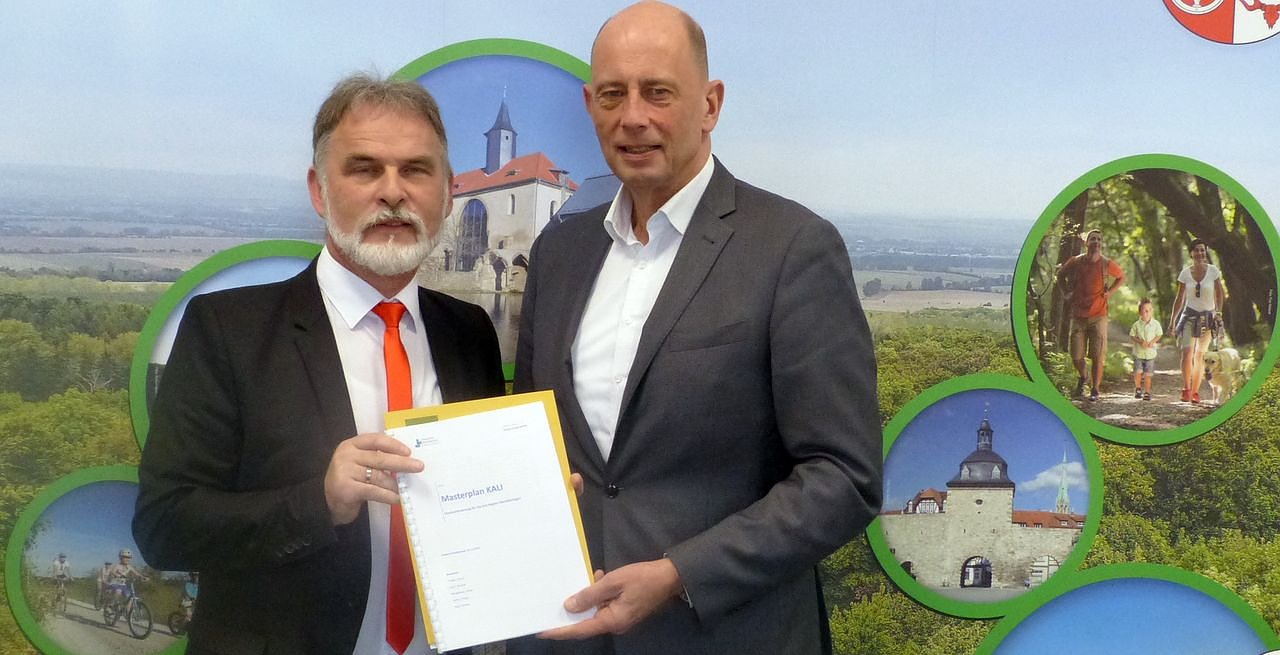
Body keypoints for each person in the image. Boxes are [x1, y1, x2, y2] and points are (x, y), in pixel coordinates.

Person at [512, 3, 882, 653]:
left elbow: (844, 476)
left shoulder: (792, 248)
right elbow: (532, 438)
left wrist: (681, 574)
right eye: (612, 95)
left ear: (710, 105)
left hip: (728, 635)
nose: (633, 116)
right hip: (566, 634)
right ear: (591, 105)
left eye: (658, 92)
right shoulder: (558, 253)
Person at [133, 73, 506, 654]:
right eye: (364, 169)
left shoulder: (470, 331)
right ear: (319, 190)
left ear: (448, 192)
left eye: (416, 170)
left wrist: (527, 499)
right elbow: (165, 527)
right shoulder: (227, 331)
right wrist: (320, 503)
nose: (393, 192)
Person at [1056, 229, 1126, 401]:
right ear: (1086, 243)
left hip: (1099, 315)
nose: (1096, 242)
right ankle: (1083, 376)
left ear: (1101, 244)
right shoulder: (1076, 261)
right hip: (1078, 315)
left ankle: (1095, 390)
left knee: (1098, 356)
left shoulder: (1106, 264)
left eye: (1099, 239)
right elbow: (1060, 275)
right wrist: (1066, 294)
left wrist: (1110, 293)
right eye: (1093, 239)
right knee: (1076, 356)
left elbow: (1121, 277)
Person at [1167, 239, 1225, 403]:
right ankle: (1186, 388)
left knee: (1200, 355)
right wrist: (1173, 321)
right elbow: (1179, 299)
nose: (1200, 253)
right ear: (1191, 253)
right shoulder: (1185, 273)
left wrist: (1218, 312)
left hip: (1208, 318)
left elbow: (1220, 294)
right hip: (1189, 317)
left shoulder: (1213, 271)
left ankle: (1195, 391)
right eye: (1197, 250)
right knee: (1187, 353)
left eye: (1202, 250)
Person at [1129, 298, 1162, 401]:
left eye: (1150, 310)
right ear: (1140, 312)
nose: (1148, 312)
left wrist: (1153, 342)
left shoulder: (1155, 324)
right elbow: (1132, 335)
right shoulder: (1136, 325)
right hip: (1139, 353)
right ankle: (1138, 388)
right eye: (1145, 310)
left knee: (1148, 374)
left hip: (1150, 354)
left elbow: (1159, 334)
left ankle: (1147, 392)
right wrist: (1140, 341)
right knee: (1138, 371)